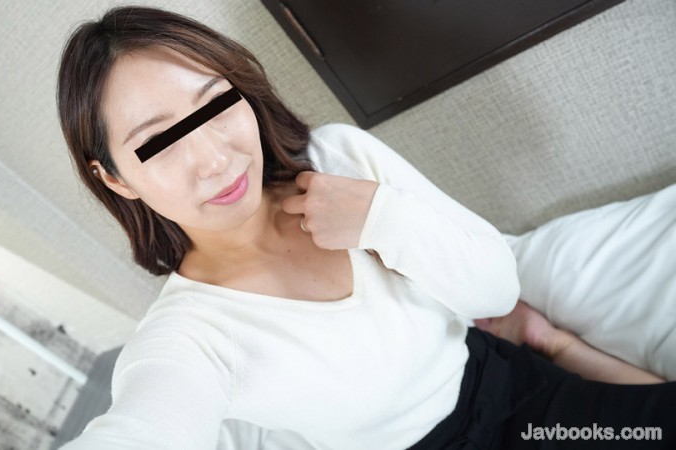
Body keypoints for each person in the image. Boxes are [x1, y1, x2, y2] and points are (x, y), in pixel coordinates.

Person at [56, 6, 675, 449]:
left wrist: (382, 218)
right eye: (159, 143)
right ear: (116, 179)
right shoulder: (188, 338)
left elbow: (495, 291)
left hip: (511, 389)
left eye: (215, 104)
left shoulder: (338, 158)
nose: (216, 158)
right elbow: (145, 426)